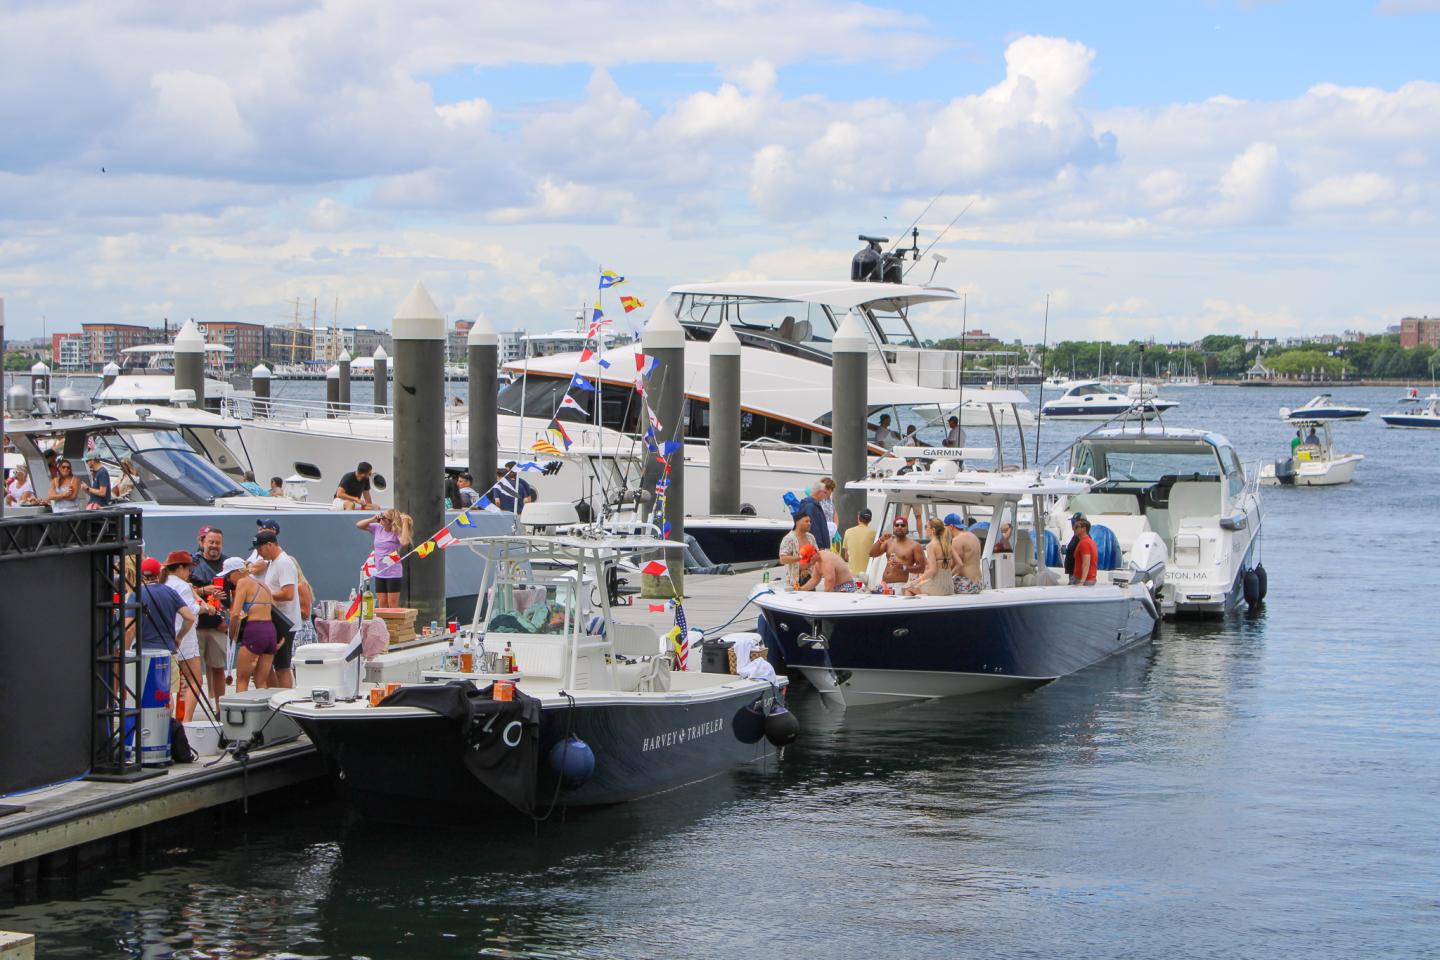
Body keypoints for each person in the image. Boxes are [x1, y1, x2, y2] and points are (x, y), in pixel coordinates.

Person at [126, 557, 194, 672]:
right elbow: (190, 618)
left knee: (144, 689)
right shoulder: (170, 592)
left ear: (141, 574)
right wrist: (179, 638)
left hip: (143, 652)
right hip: (167, 651)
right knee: (165, 689)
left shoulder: (135, 595)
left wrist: (125, 651)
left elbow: (129, 628)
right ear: (159, 572)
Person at [189, 526, 232, 711]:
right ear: (202, 542)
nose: (214, 546)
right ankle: (194, 707)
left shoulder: (228, 564)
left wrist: (229, 620)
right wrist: (204, 590)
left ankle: (219, 707)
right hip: (197, 625)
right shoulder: (192, 563)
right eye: (211, 542)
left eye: (218, 543)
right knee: (195, 671)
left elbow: (237, 593)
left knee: (217, 668)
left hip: (218, 625)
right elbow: (186, 590)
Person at [254, 529, 301, 688]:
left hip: (285, 622)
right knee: (270, 665)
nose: (260, 554)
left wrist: (265, 596)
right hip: (277, 620)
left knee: (282, 667)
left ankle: (286, 701)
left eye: (260, 549)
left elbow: (288, 594)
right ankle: (275, 698)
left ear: (270, 545)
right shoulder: (274, 562)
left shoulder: (283, 562)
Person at [162, 550, 204, 722]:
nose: (189, 573)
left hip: (165, 636)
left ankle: (166, 720)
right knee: (195, 680)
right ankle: (186, 721)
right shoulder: (182, 586)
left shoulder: (162, 583)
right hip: (184, 637)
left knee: (165, 684)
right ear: (180, 568)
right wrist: (207, 608)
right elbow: (191, 611)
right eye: (188, 569)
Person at [223, 556, 275, 692]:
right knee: (261, 680)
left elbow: (235, 614)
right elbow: (273, 610)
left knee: (242, 679)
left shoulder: (243, 582)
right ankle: (264, 713)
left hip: (255, 630)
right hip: (270, 631)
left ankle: (241, 713)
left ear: (237, 571)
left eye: (228, 576)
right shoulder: (264, 585)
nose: (228, 580)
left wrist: (231, 634)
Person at [358, 508, 413, 608]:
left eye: (384, 518)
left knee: (392, 604)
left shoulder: (396, 532)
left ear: (391, 521)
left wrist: (404, 523)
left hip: (393, 573)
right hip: (380, 572)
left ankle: (393, 624)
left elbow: (404, 542)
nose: (381, 519)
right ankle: (383, 624)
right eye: (381, 516)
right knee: (382, 603)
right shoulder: (377, 528)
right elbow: (359, 525)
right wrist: (373, 519)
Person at [869, 515, 925, 588]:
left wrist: (904, 567)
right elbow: (872, 554)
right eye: (897, 525)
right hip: (884, 583)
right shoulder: (888, 542)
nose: (899, 527)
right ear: (893, 528)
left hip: (900, 585)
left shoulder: (914, 545)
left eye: (903, 525)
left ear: (907, 528)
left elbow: (922, 568)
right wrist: (881, 539)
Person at [906, 517, 955, 596]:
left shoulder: (931, 546)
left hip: (937, 588)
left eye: (926, 526)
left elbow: (933, 570)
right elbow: (951, 564)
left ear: (933, 530)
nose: (925, 529)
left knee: (908, 588)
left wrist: (917, 581)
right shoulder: (947, 544)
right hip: (949, 587)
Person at [778, 513, 818, 590]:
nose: (809, 523)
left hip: (810, 578)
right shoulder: (789, 538)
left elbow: (816, 555)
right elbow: (783, 559)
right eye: (806, 521)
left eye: (810, 521)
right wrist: (801, 557)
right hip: (794, 580)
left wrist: (806, 568)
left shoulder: (811, 537)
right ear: (797, 522)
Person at [950, 520, 984, 594]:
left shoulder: (957, 540)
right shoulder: (973, 536)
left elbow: (955, 564)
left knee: (937, 585)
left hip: (966, 584)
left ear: (951, 527)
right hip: (979, 584)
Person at [795, 481, 831, 551]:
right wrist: (819, 547)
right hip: (815, 548)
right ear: (819, 492)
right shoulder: (811, 507)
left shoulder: (813, 505)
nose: (825, 495)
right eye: (824, 492)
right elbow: (813, 528)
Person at [1070, 517, 1098, 586]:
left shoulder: (1084, 543)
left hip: (1083, 580)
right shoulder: (1089, 541)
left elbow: (1086, 563)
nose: (1073, 529)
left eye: (1076, 527)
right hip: (1088, 579)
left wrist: (1082, 582)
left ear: (1084, 529)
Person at [1063, 512, 1085, 579]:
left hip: (1076, 573)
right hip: (1072, 572)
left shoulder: (1082, 538)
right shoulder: (1075, 537)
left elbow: (1085, 557)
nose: (1073, 526)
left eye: (1074, 523)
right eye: (1073, 523)